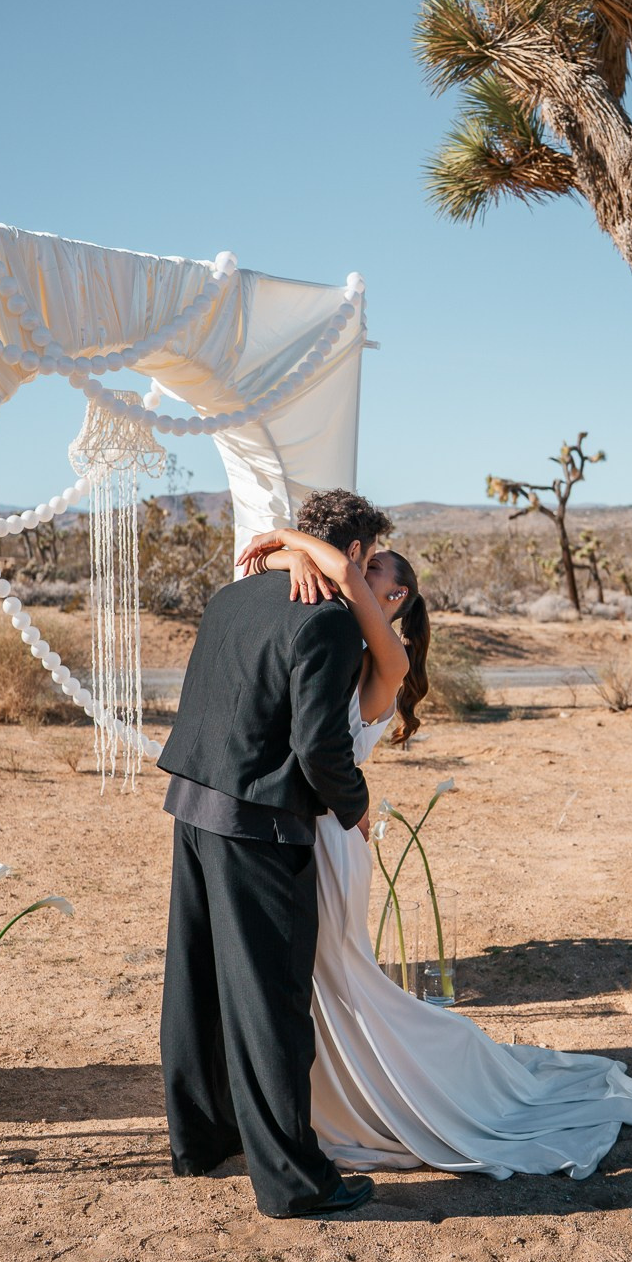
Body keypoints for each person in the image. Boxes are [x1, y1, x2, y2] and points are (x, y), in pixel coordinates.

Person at [237, 525, 632, 1182]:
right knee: (318, 978)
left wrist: (283, 537)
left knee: (338, 975)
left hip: (333, 834)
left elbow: (335, 575)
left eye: (372, 566)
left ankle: (401, 1085)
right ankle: (323, 1099)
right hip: (312, 828)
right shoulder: (339, 635)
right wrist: (287, 557)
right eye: (359, 559)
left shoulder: (386, 653)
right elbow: (295, 575)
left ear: (397, 594)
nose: (354, 566)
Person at [156, 488, 393, 1219]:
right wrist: (354, 810)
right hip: (260, 824)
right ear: (352, 554)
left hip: (193, 804)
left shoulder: (233, 595)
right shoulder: (326, 621)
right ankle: (295, 1182)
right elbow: (318, 748)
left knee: (196, 987)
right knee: (272, 1005)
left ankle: (200, 1142)